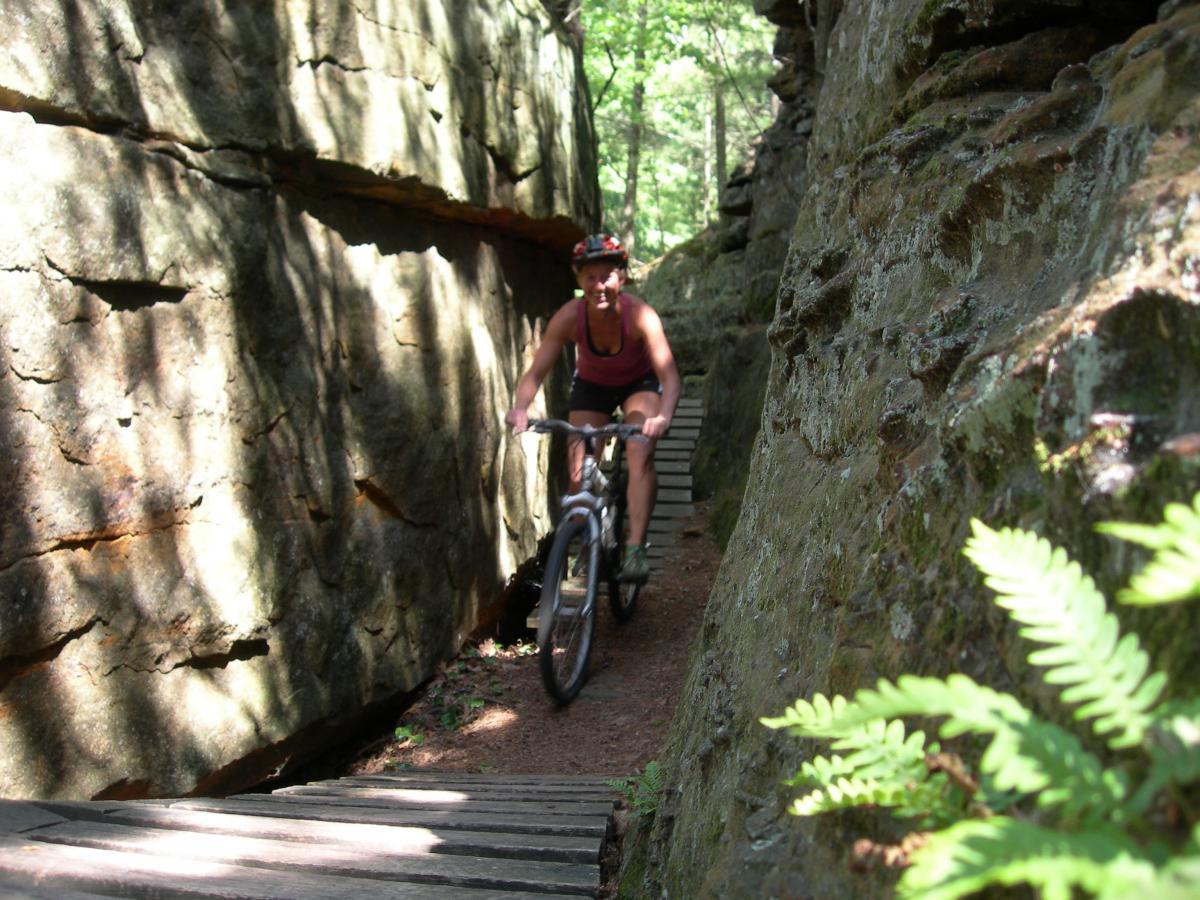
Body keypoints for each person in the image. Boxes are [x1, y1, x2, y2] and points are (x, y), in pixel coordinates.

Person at [506, 233, 680, 584]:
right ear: (579, 280)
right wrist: (520, 409)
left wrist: (662, 417)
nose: (599, 285)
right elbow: (536, 371)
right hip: (592, 387)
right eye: (590, 277)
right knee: (578, 472)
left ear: (622, 278)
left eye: (607, 276)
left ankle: (635, 547)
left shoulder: (641, 316)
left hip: (640, 384)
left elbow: (670, 376)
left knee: (639, 449)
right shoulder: (570, 317)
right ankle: (586, 541)